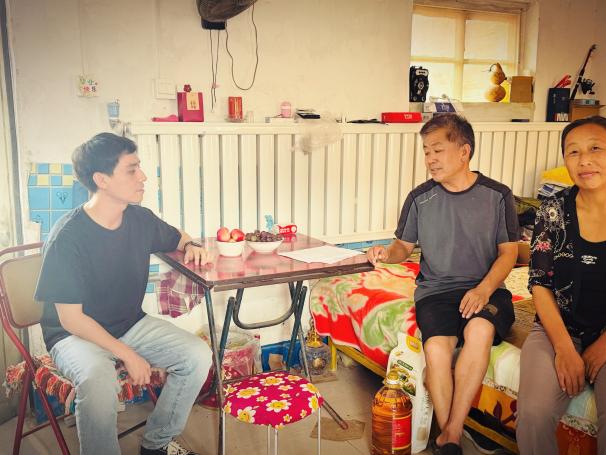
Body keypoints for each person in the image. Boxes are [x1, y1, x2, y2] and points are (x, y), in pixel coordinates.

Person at [35, 133, 213, 455]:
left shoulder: (139, 219)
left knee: (197, 355)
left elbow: (178, 237)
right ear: (101, 180)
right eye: (131, 170)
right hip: (74, 335)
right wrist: (128, 354)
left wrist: (191, 244)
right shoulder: (68, 237)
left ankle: (156, 445)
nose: (143, 176)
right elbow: (71, 319)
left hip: (129, 323)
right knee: (98, 380)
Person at [367, 114, 519, 455]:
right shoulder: (420, 198)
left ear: (464, 152)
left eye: (437, 150)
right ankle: (453, 434)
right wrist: (386, 253)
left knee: (479, 331)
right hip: (435, 291)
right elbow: (402, 246)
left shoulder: (498, 195)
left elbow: (509, 253)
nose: (430, 159)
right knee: (436, 349)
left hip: (487, 288)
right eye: (426, 151)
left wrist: (483, 290)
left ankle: (450, 432)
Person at [517, 116, 606, 454]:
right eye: (573, 152)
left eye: (596, 148)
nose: (584, 161)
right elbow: (539, 283)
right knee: (533, 413)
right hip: (558, 326)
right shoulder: (552, 210)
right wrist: (565, 348)